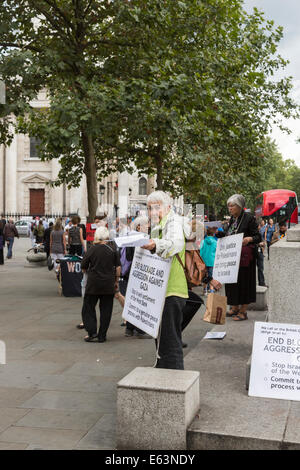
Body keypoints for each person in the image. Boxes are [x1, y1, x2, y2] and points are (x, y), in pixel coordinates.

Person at [141, 191, 220, 370]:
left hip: (171, 289)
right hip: (162, 289)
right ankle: (164, 376)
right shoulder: (159, 225)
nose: (152, 211)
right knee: (163, 338)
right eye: (149, 208)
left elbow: (174, 244)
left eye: (156, 207)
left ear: (168, 207)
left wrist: (154, 245)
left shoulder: (173, 222)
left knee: (169, 342)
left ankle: (174, 384)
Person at [224, 194, 261, 321]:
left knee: (244, 283)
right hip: (233, 257)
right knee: (232, 283)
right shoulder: (232, 220)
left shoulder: (249, 218)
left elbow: (258, 236)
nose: (230, 208)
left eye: (232, 206)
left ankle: (243, 311)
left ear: (239, 206)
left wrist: (249, 238)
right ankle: (234, 307)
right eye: (228, 206)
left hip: (245, 259)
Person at [81, 226, 121, 343]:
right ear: (107, 237)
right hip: (108, 284)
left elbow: (84, 266)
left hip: (93, 284)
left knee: (88, 307)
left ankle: (92, 332)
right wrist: (116, 281)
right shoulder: (112, 249)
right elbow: (118, 268)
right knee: (106, 310)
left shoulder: (92, 249)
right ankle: (102, 335)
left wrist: (87, 271)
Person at [200, 227, 218, 294]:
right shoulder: (215, 242)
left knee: (205, 276)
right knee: (211, 276)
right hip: (212, 261)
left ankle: (204, 290)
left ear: (206, 234)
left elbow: (200, 251)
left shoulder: (203, 241)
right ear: (213, 234)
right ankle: (211, 290)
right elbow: (216, 251)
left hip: (204, 261)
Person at [257, 220, 267, 287]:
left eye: (260, 226)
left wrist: (263, 244)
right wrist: (258, 244)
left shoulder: (259, 233)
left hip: (260, 252)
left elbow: (263, 241)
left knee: (261, 268)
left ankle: (262, 282)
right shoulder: (251, 234)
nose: (260, 227)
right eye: (259, 226)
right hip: (253, 252)